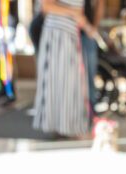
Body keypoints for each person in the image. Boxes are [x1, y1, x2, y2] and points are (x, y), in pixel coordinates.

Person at [33, 0, 91, 138]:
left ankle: (69, 126)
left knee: (72, 82)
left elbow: (79, 12)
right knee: (56, 80)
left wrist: (86, 25)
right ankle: (58, 126)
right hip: (56, 35)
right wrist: (72, 12)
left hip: (71, 34)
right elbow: (46, 6)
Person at [80, 0, 105, 119]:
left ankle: (90, 113)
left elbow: (100, 3)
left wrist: (93, 27)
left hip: (85, 32)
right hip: (68, 32)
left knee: (89, 75)